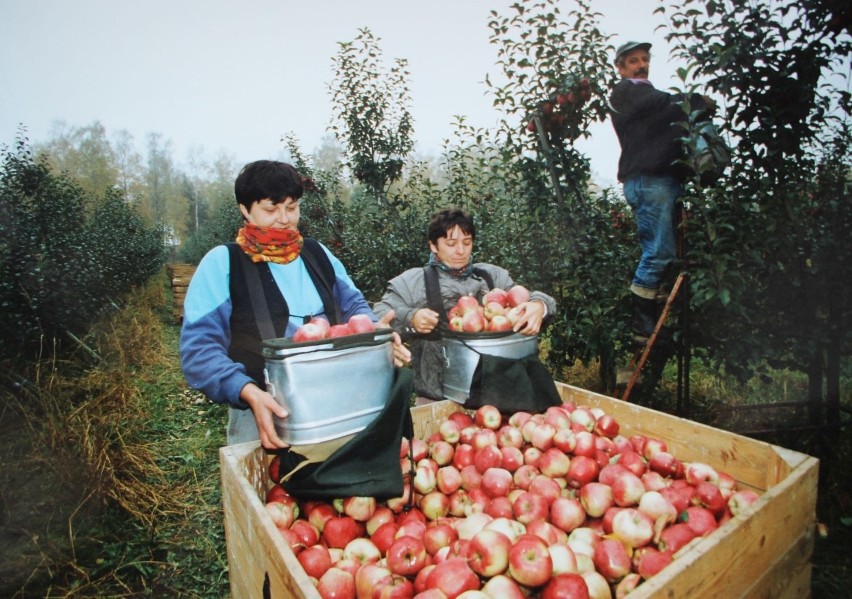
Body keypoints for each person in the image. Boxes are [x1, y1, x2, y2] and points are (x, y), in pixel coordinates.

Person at [180, 160, 410, 449]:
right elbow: (199, 351)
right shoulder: (222, 264)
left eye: (291, 207)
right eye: (270, 209)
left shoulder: (317, 254)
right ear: (244, 209)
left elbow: (354, 305)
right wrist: (245, 389)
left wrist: (372, 331)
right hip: (263, 411)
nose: (284, 218)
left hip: (340, 401)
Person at [373, 208, 556, 403]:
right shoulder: (412, 282)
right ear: (433, 246)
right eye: (451, 244)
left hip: (499, 397)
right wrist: (410, 318)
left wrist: (540, 305)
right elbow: (379, 316)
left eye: (467, 243)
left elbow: (525, 298)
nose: (461, 251)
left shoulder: (492, 277)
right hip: (437, 399)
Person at [609, 41, 715, 341]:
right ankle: (641, 320)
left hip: (663, 180)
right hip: (649, 180)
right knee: (658, 252)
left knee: (666, 251)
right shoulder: (626, 92)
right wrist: (695, 101)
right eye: (633, 61)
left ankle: (650, 314)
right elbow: (661, 103)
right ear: (620, 67)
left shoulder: (651, 97)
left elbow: (667, 112)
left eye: (645, 59)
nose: (641, 65)